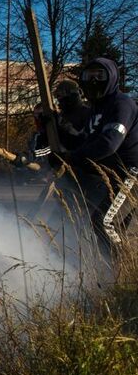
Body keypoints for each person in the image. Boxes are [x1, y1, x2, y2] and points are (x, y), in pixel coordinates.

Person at [59, 58, 138, 249]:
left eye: (99, 76)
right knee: (115, 226)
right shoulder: (95, 110)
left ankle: (123, 266)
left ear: (111, 77)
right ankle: (116, 272)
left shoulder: (121, 104)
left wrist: (75, 157)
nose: (94, 81)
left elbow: (109, 143)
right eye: (89, 76)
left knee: (105, 222)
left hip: (132, 174)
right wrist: (55, 125)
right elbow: (85, 142)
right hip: (115, 176)